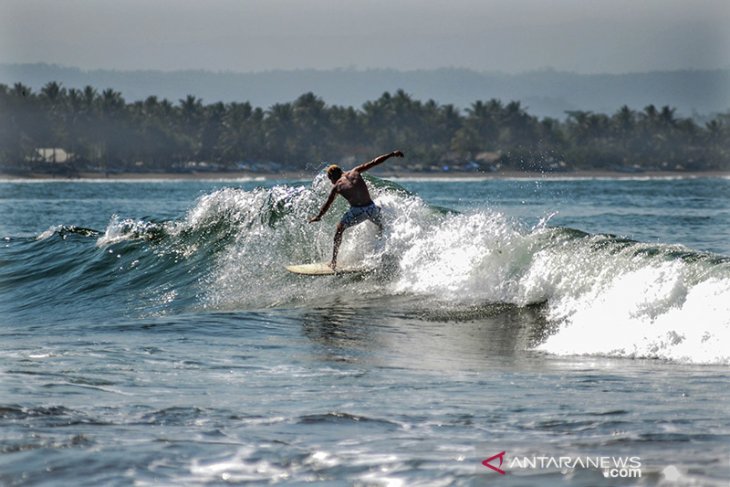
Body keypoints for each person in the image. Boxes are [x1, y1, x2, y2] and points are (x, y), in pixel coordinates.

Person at [309, 150, 405, 270]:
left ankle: (333, 262)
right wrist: (391, 154)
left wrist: (318, 216)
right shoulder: (355, 171)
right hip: (371, 208)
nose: (331, 182)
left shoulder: (337, 186)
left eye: (330, 179)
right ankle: (383, 253)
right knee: (381, 226)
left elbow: (327, 205)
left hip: (357, 211)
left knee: (339, 229)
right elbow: (375, 162)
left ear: (332, 177)